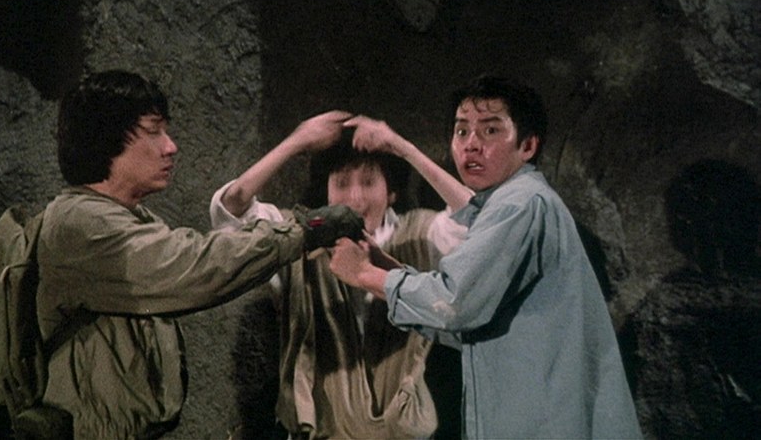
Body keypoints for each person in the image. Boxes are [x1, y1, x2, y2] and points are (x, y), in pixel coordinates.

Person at [36, 70, 359, 439]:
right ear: (105, 138)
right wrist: (304, 229)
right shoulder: (82, 225)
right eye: (154, 131)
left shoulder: (120, 217)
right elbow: (196, 265)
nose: (170, 146)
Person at [330, 75, 643, 439]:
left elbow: (455, 303)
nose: (471, 145)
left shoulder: (520, 204)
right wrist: (386, 268)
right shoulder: (514, 202)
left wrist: (364, 274)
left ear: (527, 146)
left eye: (490, 131)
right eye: (462, 131)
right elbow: (468, 322)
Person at [209, 112, 472, 438]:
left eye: (369, 182)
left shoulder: (419, 235)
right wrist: (297, 141)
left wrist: (402, 147)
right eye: (342, 183)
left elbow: (480, 223)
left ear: (391, 191)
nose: (356, 198)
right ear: (326, 191)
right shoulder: (296, 238)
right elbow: (231, 211)